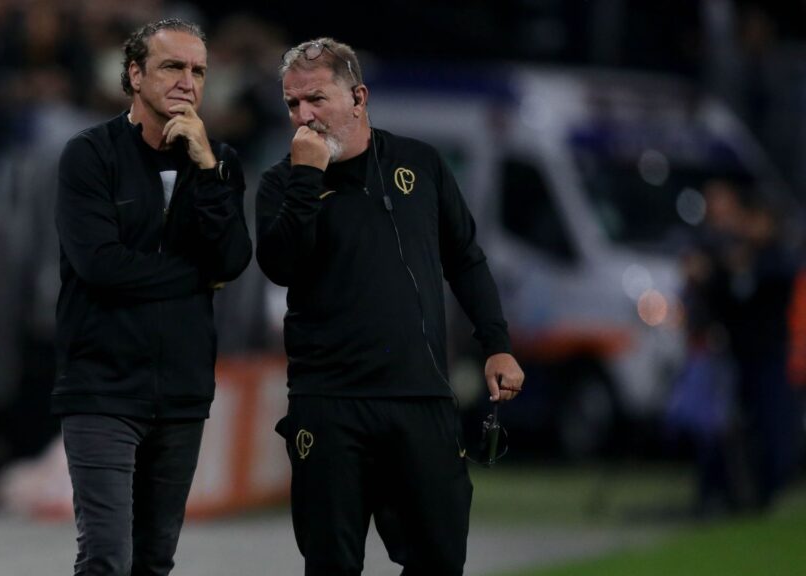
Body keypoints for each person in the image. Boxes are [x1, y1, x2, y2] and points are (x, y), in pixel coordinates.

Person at [256, 38, 524, 576]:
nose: (303, 116)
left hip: (420, 397)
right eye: (292, 103)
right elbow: (281, 265)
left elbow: (465, 259)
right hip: (330, 403)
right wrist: (307, 178)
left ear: (358, 97)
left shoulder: (420, 164)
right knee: (331, 564)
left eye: (316, 99)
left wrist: (497, 344)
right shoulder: (282, 182)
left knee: (440, 559)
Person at [53, 18, 251, 576]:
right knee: (106, 558)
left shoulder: (219, 162)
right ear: (135, 75)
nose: (188, 81)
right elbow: (101, 266)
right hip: (103, 388)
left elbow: (233, 260)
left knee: (155, 562)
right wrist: (194, 276)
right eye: (172, 67)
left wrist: (207, 169)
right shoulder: (89, 155)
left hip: (182, 393)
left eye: (198, 71)